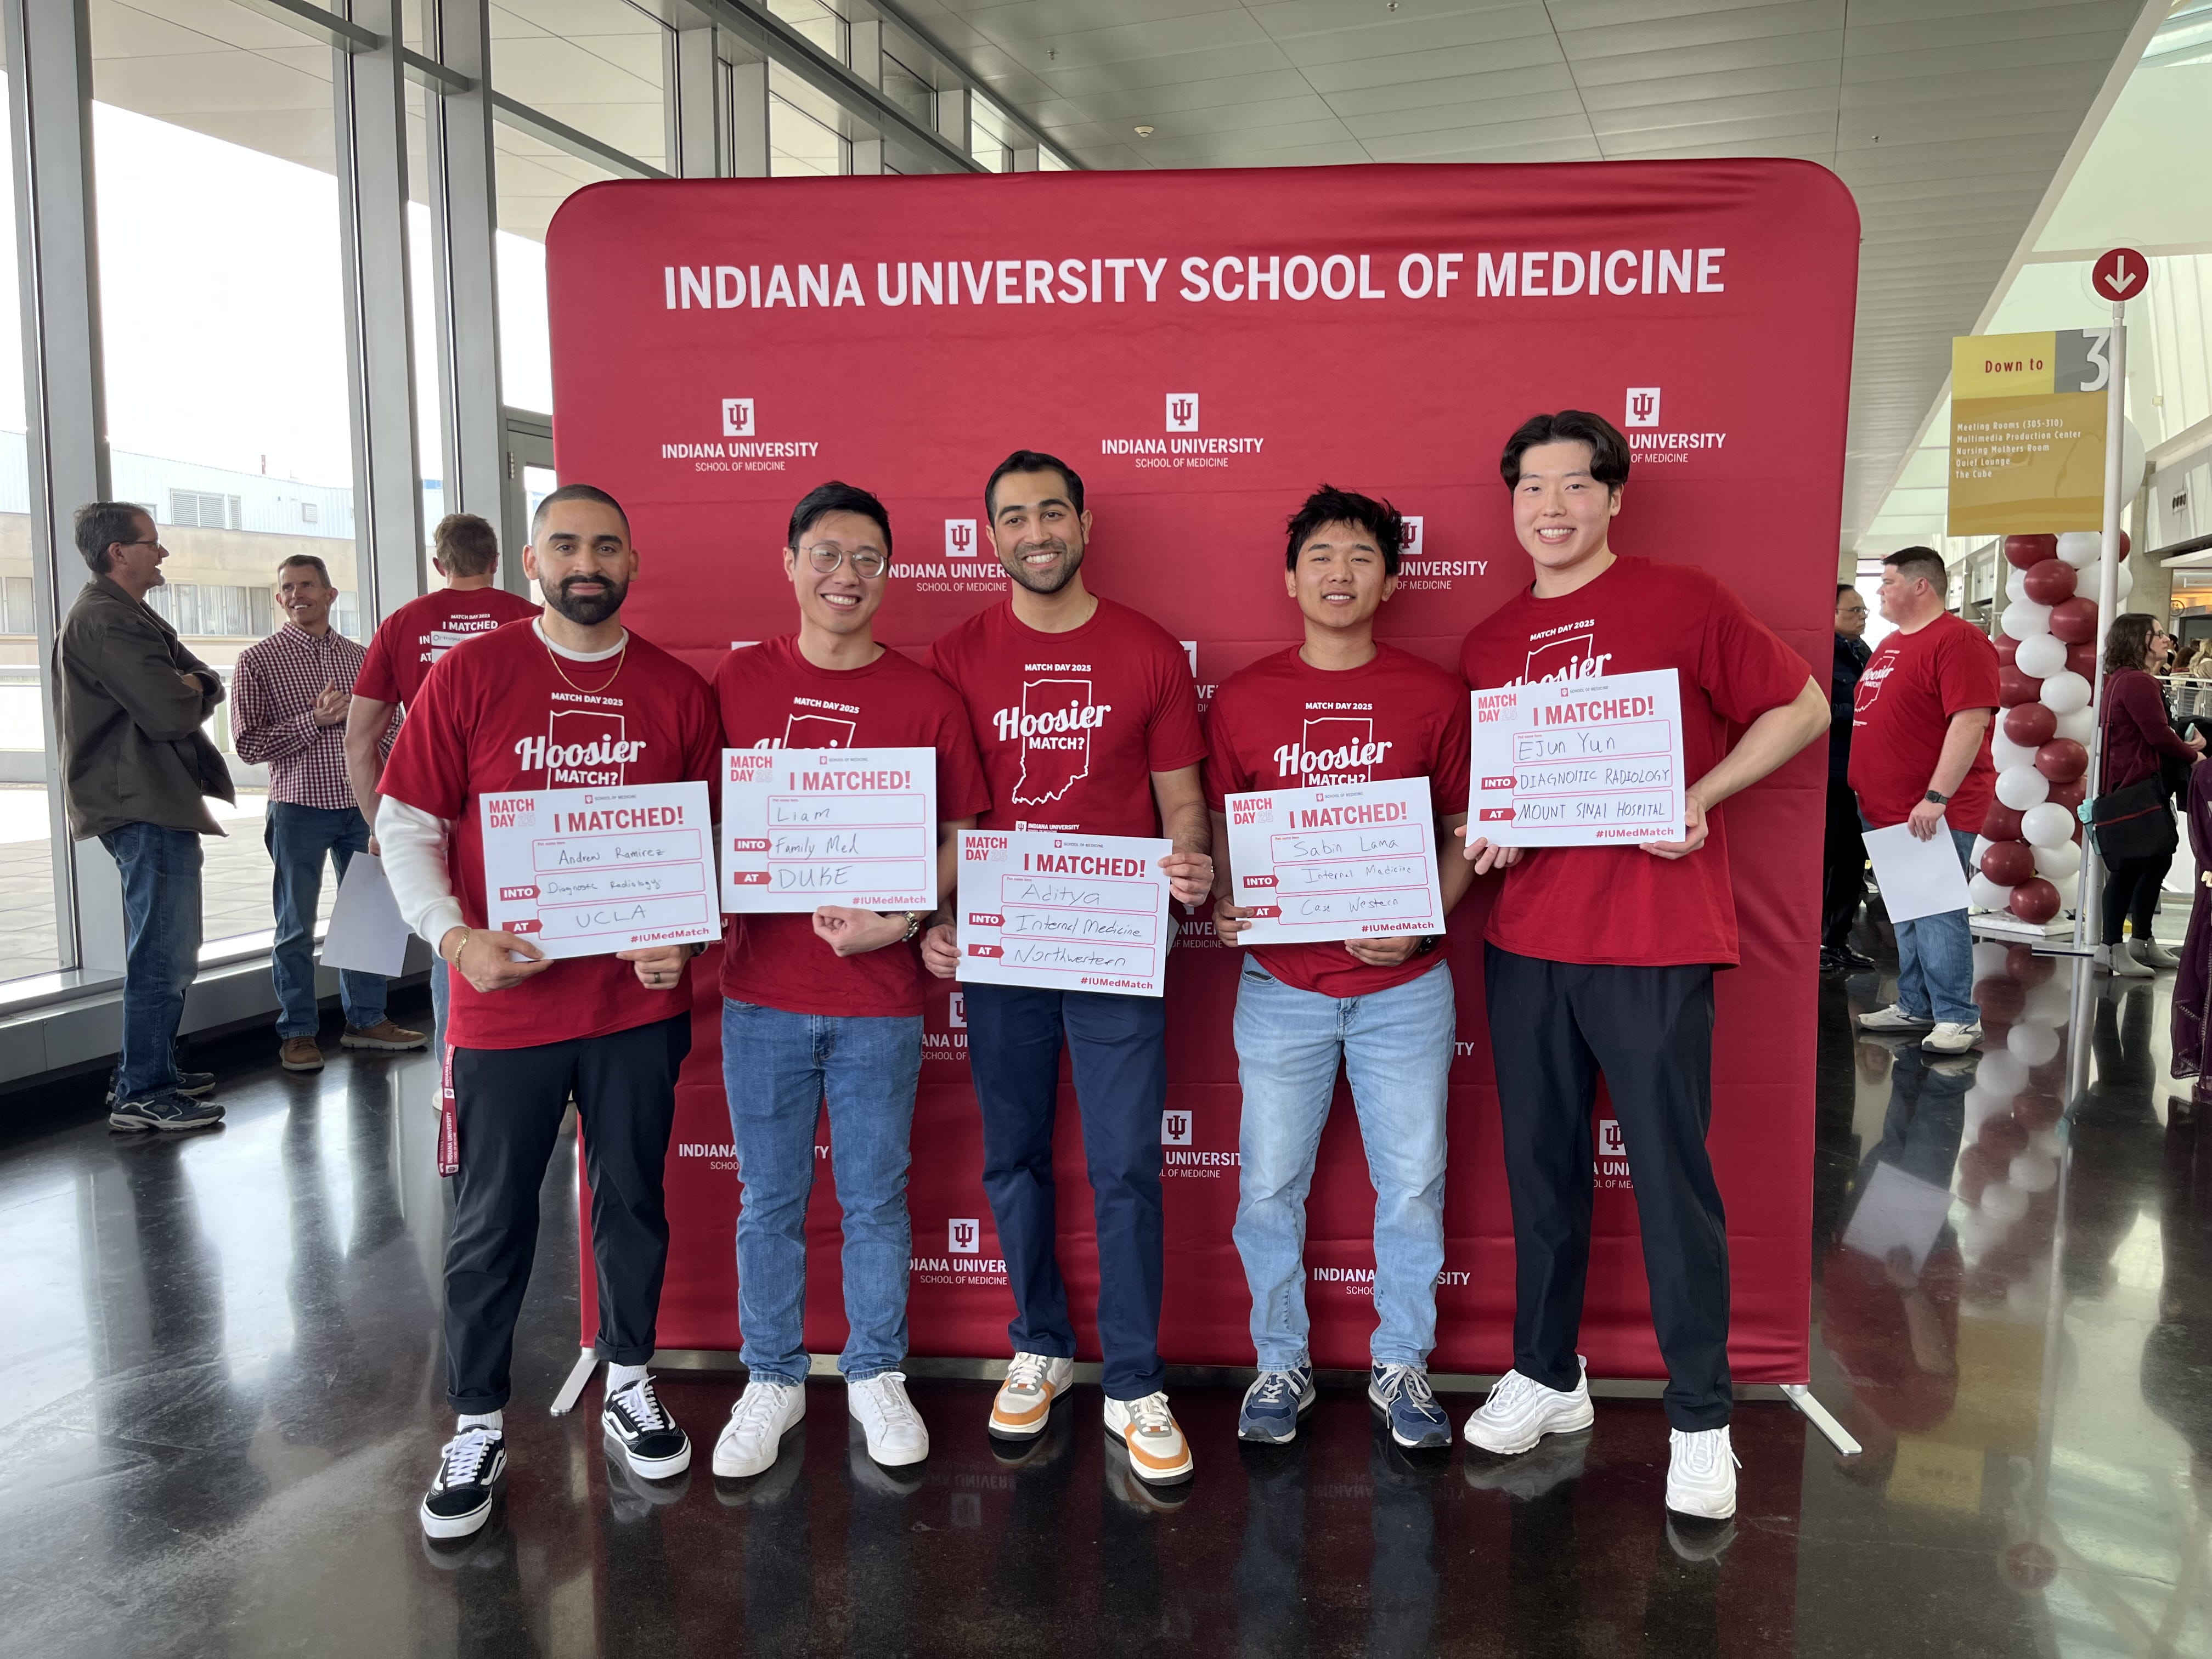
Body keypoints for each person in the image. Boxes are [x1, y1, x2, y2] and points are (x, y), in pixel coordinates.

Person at [1455, 410, 1827, 1523]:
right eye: (1532, 487)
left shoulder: (1685, 599)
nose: (1553, 508)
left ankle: (1702, 1418)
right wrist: (1498, 828)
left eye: (1576, 486)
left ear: (1615, 498)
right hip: (1526, 944)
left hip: (1652, 942)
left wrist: (1697, 801)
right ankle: (1547, 1372)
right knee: (1541, 1176)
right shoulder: (1491, 640)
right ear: (1512, 501)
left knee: (1671, 1181)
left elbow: (1802, 705)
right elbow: (1504, 789)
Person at [376, 484, 721, 1540]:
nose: (586, 559)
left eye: (605, 543)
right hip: (505, 1009)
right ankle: (476, 1419)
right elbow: (405, 821)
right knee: (489, 1221)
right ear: (529, 560)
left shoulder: (674, 688)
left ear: (631, 559)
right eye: (565, 542)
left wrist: (688, 937)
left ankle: (628, 1377)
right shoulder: (473, 673)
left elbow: (709, 846)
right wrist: (453, 936)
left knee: (633, 1202)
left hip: (631, 1008)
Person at [922, 449, 1213, 1486]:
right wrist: (935, 915)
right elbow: (948, 817)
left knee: (1129, 1162)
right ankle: (1040, 1341)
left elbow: (1181, 794)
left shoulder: (1145, 650)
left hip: (1114, 942)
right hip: (1003, 949)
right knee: (1013, 1155)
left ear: (1083, 522)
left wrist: (1190, 855)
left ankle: (1134, 1378)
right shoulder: (955, 654)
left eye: (1053, 511)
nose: (1036, 531)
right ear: (988, 535)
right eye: (1014, 516)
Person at [708, 482, 989, 1481]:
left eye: (868, 557)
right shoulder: (736, 683)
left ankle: (875, 1368)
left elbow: (962, 837)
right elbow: (695, 821)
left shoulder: (925, 698)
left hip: (878, 1002)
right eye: (827, 553)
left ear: (889, 573)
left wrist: (903, 919)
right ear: (789, 562)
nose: (847, 574)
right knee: (769, 1197)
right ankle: (772, 1376)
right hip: (762, 996)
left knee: (874, 1196)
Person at [1204, 485, 1482, 1450]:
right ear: (1290, 576)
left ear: (1391, 578)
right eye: (1320, 555)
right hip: (1280, 988)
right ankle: (1278, 1358)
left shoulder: (1435, 695)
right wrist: (1222, 898)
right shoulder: (1240, 698)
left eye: (1361, 556)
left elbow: (1465, 832)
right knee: (1267, 1186)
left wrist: (1419, 923)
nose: (1338, 572)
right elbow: (1217, 834)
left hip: (1404, 990)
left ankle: (1400, 1361)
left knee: (1410, 1185)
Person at [55, 503, 232, 1132]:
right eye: (151, 544)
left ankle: (146, 1066)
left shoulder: (125, 613)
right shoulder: (109, 621)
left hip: (146, 800)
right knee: (163, 950)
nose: (162, 554)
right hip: (142, 803)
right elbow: (171, 713)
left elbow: (201, 677)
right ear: (117, 553)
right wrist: (191, 689)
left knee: (164, 945)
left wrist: (195, 683)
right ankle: (144, 1090)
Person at [345, 512, 537, 1041]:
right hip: (521, 809)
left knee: (450, 929)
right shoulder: (533, 618)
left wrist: (385, 825)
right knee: (535, 919)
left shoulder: (403, 624)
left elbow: (360, 740)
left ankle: (454, 1071)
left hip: (434, 802)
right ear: (498, 562)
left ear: (439, 564)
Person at [230, 555, 425, 1071]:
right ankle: (297, 1032)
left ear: (330, 594)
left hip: (361, 808)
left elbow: (395, 728)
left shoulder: (364, 657)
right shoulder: (257, 661)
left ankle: (366, 1020)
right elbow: (247, 745)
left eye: (308, 586)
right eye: (288, 588)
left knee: (368, 916)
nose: (298, 595)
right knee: (294, 925)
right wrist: (313, 722)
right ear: (279, 598)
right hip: (297, 808)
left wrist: (365, 737)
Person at [1850, 546, 2000, 1055]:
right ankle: (1917, 1004)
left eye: (1887, 582)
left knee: (1936, 911)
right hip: (1885, 806)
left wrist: (1937, 796)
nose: (1880, 592)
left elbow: (1970, 720)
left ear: (1921, 585)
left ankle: (1958, 1015)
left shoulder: (1959, 641)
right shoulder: (1890, 644)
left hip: (1930, 808)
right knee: (1909, 912)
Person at [2096, 613, 2202, 978]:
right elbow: (2157, 734)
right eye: (2156, 634)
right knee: (2131, 867)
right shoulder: (2138, 682)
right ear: (2137, 640)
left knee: (2155, 858)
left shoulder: (2125, 681)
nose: (2165, 640)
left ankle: (2140, 940)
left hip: (2135, 782)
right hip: (2136, 784)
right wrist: (2195, 754)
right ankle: (2111, 946)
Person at [1823, 585, 1874, 975]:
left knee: (1854, 863)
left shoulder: (1865, 653)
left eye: (1864, 610)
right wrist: (1862, 708)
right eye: (1854, 609)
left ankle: (1838, 939)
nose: (1862, 616)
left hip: (1862, 774)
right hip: (1831, 775)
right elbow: (1817, 708)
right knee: (1830, 860)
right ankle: (1821, 942)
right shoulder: (1822, 655)